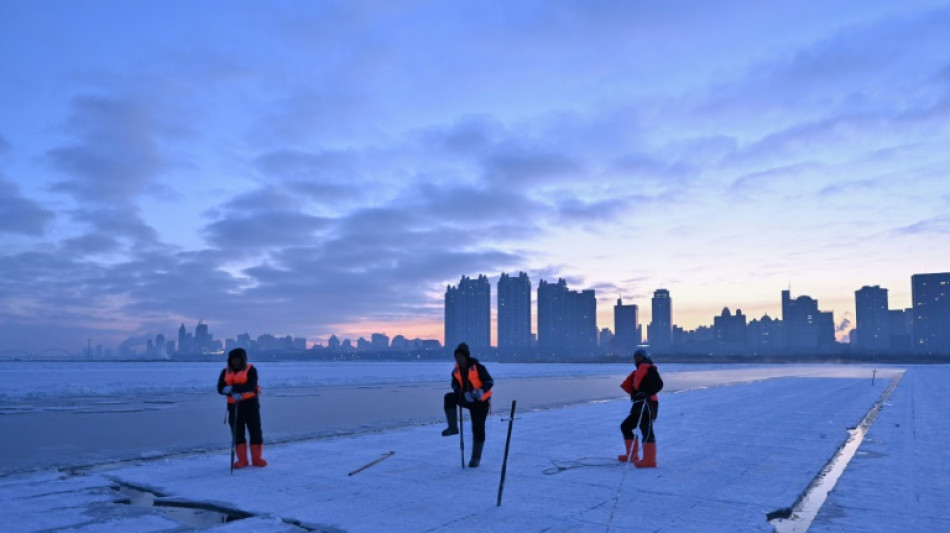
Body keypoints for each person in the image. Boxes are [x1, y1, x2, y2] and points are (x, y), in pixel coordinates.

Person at [440, 342, 494, 467]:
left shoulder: (479, 367)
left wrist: (481, 391)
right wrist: (463, 393)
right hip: (467, 399)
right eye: (456, 356)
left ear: (466, 357)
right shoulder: (456, 371)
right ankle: (453, 427)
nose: (458, 359)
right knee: (449, 397)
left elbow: (490, 381)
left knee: (478, 428)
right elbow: (454, 385)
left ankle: (476, 458)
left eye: (460, 356)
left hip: (481, 402)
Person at [217, 347, 267, 468]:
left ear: (243, 360)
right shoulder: (225, 372)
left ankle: (257, 459)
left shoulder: (251, 370)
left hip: (251, 406)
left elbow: (251, 385)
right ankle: (242, 460)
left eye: (238, 360)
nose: (235, 362)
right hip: (234, 407)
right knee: (237, 433)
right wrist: (229, 392)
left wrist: (234, 389)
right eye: (233, 359)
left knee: (255, 432)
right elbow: (220, 388)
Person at [617, 348, 662, 467]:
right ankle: (632, 455)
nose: (637, 359)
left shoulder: (650, 369)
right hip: (638, 404)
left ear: (644, 357)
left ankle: (649, 460)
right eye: (635, 357)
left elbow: (659, 384)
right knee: (626, 426)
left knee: (646, 429)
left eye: (639, 357)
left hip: (648, 403)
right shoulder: (637, 372)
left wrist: (647, 393)